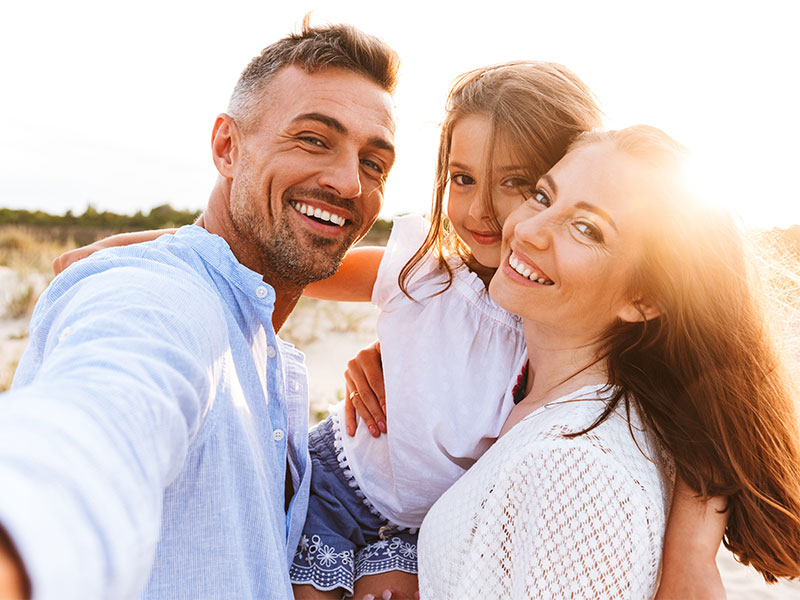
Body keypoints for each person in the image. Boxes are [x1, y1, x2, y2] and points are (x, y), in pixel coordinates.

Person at [56, 64, 735, 599]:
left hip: (418, 523)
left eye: (521, 185)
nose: (486, 212)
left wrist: (691, 552)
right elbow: (270, 260)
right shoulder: (427, 272)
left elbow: (704, 396)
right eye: (462, 179)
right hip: (344, 480)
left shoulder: (562, 342)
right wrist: (130, 250)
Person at [0, 20, 400, 600]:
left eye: (374, 164)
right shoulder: (164, 298)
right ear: (226, 147)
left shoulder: (263, 352)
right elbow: (103, 414)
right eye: (314, 139)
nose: (349, 182)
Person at [415, 125, 800, 598]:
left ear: (644, 299)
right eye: (542, 196)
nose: (527, 230)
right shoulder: (535, 394)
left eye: (587, 229)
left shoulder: (574, 470)